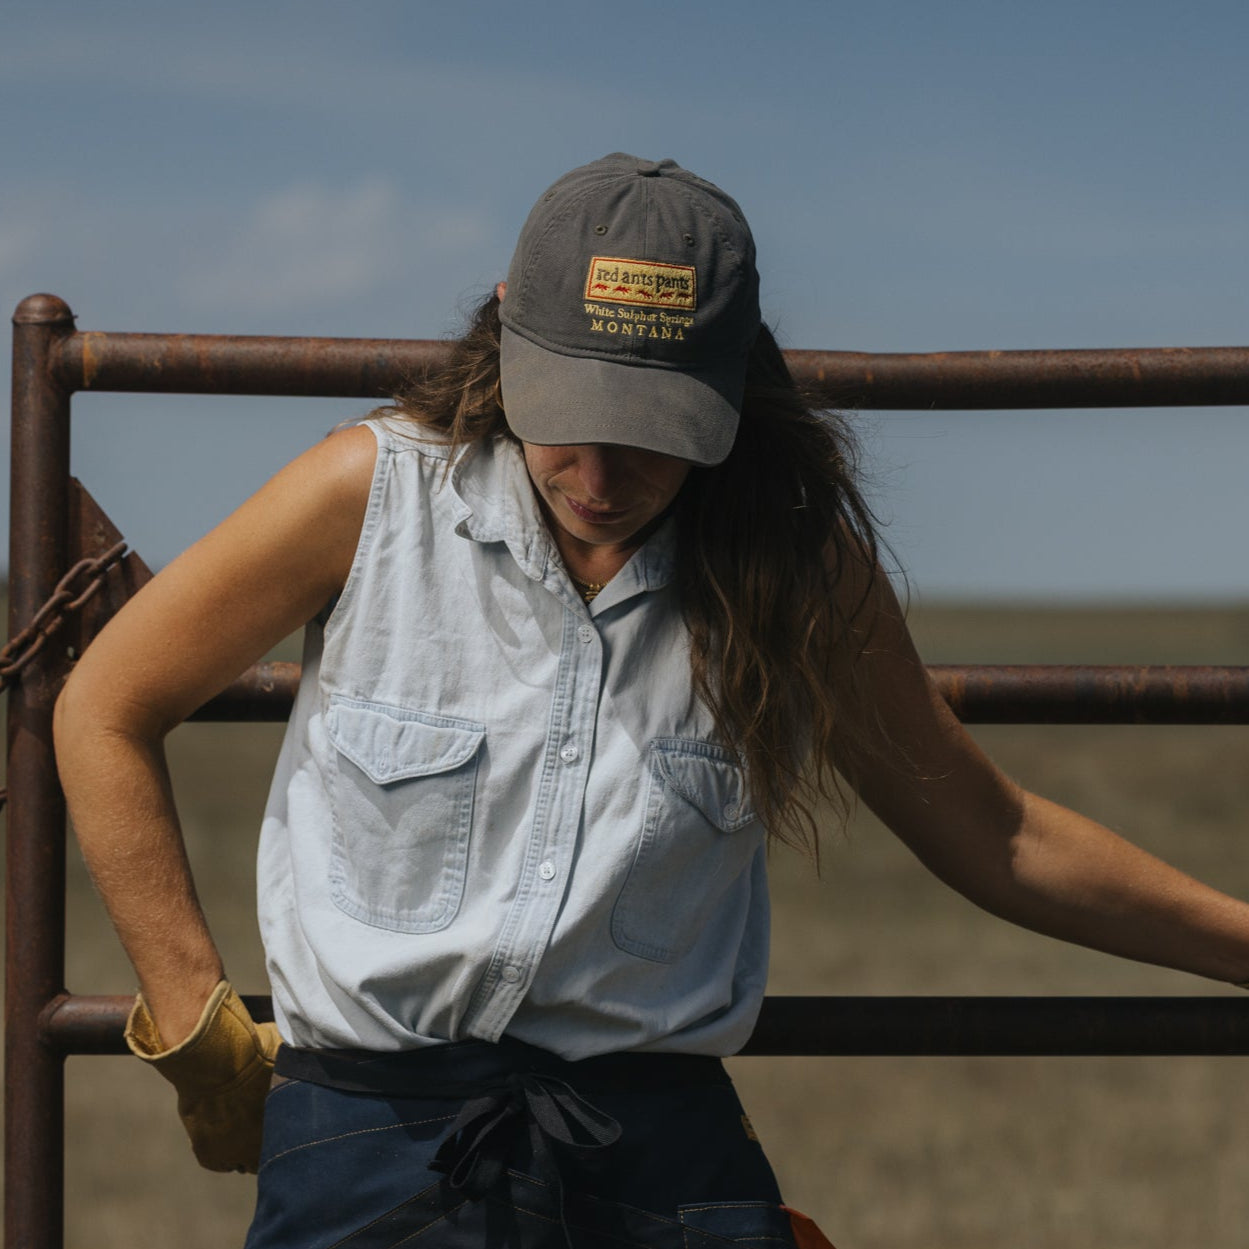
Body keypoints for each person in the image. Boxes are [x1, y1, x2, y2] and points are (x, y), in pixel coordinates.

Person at [53, 153, 1249, 1249]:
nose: (597, 476)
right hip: (368, 1146)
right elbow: (103, 705)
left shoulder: (792, 566)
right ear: (506, 338)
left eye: (651, 432)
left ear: (730, 392)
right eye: (564, 416)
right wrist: (199, 1028)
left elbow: (997, 832)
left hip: (660, 1165)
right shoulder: (371, 497)